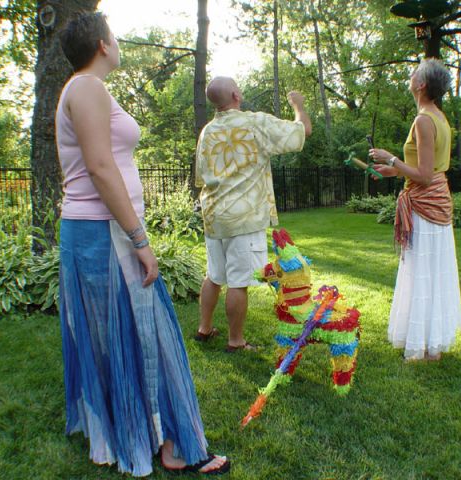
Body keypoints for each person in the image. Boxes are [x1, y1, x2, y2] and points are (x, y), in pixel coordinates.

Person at [55, 13, 229, 476]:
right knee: (153, 333)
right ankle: (174, 443)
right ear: (102, 44)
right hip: (104, 234)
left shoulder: (83, 89)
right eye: (112, 36)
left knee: (123, 335)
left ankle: (138, 429)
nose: (116, 42)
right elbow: (99, 167)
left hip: (95, 231)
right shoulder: (87, 88)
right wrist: (139, 238)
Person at [194, 77, 312, 352]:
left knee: (214, 275)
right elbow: (302, 131)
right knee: (238, 282)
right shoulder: (254, 123)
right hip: (243, 217)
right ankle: (236, 341)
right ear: (236, 95)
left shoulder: (207, 131)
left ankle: (204, 329)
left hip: (214, 216)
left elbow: (201, 176)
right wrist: (298, 105)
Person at [369, 58, 461, 362]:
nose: (410, 77)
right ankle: (432, 346)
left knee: (422, 273)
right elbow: (429, 169)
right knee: (432, 273)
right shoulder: (439, 117)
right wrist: (392, 170)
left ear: (421, 85)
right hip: (437, 200)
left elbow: (423, 175)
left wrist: (391, 159)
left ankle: (423, 347)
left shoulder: (423, 120)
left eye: (414, 74)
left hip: (425, 204)